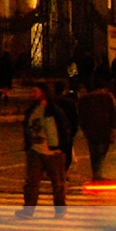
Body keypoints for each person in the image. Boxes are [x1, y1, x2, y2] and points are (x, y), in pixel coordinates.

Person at [16, 82, 69, 215]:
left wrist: (62, 147)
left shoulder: (53, 110)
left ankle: (60, 210)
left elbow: (63, 128)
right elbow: (27, 127)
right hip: (35, 150)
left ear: (43, 93)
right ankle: (28, 210)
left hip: (53, 151)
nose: (33, 94)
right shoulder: (32, 110)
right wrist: (28, 143)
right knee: (31, 183)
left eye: (35, 91)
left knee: (58, 183)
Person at [77, 76, 116, 181]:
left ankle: (96, 172)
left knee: (94, 151)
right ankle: (98, 173)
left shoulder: (84, 99)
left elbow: (81, 115)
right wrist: (113, 128)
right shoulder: (108, 97)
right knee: (101, 151)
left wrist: (84, 128)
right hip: (104, 129)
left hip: (90, 130)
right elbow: (113, 113)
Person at [53, 80, 78, 171]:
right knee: (66, 154)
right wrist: (73, 130)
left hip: (53, 130)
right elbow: (74, 117)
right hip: (65, 131)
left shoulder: (50, 101)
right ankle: (62, 173)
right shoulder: (69, 102)